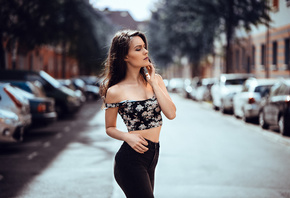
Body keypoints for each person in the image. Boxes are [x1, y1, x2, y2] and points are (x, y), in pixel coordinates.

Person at [100, 29, 176, 198]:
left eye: (144, 47)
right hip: (131, 159)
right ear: (125, 56)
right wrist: (128, 137)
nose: (145, 51)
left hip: (153, 154)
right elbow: (110, 128)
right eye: (138, 48)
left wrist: (153, 83)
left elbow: (171, 113)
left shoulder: (156, 81)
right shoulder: (115, 91)